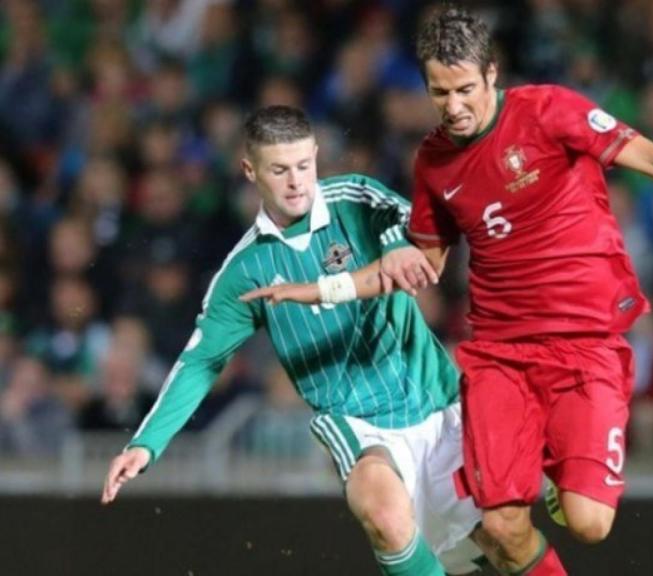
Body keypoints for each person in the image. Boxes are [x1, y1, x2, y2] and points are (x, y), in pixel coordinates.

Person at [257, 9, 653, 574]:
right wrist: (325, 285)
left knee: (590, 523)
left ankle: (561, 472)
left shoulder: (549, 110)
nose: (454, 105)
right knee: (499, 527)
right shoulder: (434, 163)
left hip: (584, 344)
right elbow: (424, 265)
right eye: (440, 92)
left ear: (492, 73)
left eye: (465, 88)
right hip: (500, 356)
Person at [99, 105, 485, 576]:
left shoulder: (355, 200)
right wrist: (146, 443)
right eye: (280, 170)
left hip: (438, 402)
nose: (297, 181)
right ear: (250, 170)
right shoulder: (245, 271)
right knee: (383, 513)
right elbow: (201, 361)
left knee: (506, 540)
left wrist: (400, 245)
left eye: (304, 165)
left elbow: (414, 229)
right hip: (357, 423)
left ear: (317, 156)